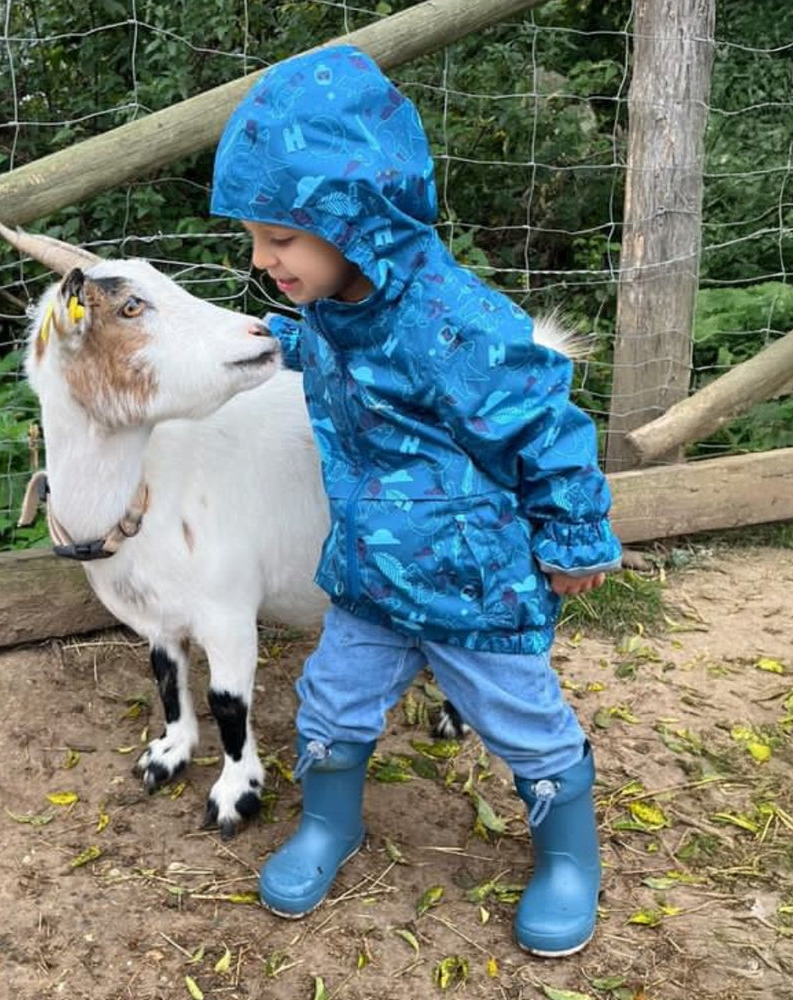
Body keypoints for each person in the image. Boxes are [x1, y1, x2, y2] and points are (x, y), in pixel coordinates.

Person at [210, 44, 622, 958]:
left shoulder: (454, 323)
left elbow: (545, 425)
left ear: (353, 215)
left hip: (474, 585)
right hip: (370, 576)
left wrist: (576, 537)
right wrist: (275, 334)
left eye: (279, 238)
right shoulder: (336, 309)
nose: (263, 257)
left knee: (522, 720)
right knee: (329, 703)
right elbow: (333, 357)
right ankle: (330, 825)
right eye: (253, 238)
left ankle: (567, 856)